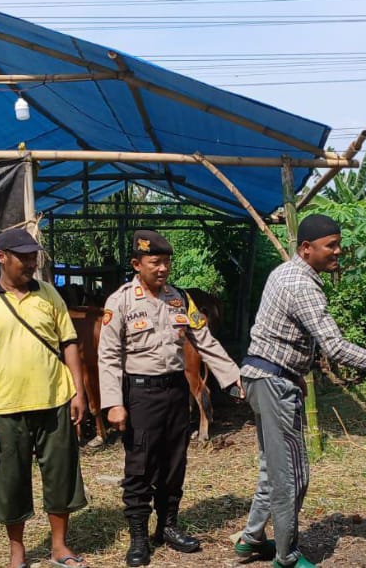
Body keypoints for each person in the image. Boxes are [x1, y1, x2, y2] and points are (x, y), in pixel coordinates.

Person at [234, 214, 366, 568]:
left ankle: (250, 540)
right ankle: (287, 557)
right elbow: (336, 348)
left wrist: (293, 373)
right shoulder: (302, 284)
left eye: (339, 244)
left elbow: (280, 336)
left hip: (264, 377)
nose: (338, 251)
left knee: (272, 468)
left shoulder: (286, 272)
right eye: (331, 245)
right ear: (307, 248)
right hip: (272, 382)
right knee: (292, 474)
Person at [98, 229, 244, 567]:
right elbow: (107, 355)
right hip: (140, 393)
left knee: (174, 462)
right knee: (140, 466)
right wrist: (113, 403)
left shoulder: (179, 299)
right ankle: (138, 536)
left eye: (166, 262)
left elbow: (204, 340)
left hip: (176, 391)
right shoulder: (120, 301)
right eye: (155, 262)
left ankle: (168, 527)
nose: (163, 269)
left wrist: (233, 378)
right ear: (137, 264)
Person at [0, 228, 90, 568]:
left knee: (61, 476)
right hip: (5, 407)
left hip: (55, 399)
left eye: (33, 256)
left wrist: (78, 391)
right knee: (11, 483)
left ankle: (60, 546)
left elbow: (69, 345)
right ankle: (17, 550)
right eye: (23, 257)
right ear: (1, 257)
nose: (31, 263)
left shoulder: (50, 295)